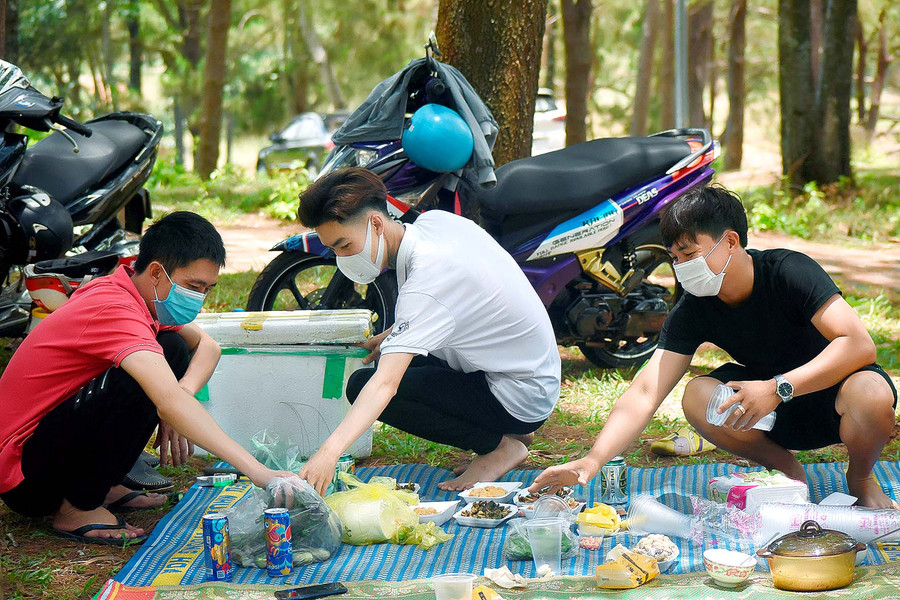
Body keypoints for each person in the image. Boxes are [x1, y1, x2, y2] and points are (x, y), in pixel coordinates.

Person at [531, 185, 898, 509]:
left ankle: (861, 479)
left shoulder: (789, 270)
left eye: (689, 254)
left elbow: (858, 344)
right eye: (674, 258)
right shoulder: (694, 306)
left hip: (832, 398)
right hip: (766, 413)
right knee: (696, 395)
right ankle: (786, 471)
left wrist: (777, 387)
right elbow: (646, 390)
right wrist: (591, 461)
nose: (681, 268)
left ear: (731, 242)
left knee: (872, 391)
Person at [0, 212, 295, 544]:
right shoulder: (113, 309)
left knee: (171, 347)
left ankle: (104, 486)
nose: (200, 298)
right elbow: (167, 399)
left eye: (207, 289)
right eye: (193, 286)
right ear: (156, 272)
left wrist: (180, 394)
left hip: (46, 450)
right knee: (148, 368)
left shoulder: (133, 294)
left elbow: (208, 347)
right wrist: (259, 472)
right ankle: (77, 508)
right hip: (27, 476)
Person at [296, 168, 561, 495]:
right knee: (390, 362)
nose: (342, 258)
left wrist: (329, 453)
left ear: (376, 223)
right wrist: (393, 333)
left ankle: (500, 446)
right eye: (334, 249)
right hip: (532, 373)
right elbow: (458, 301)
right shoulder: (435, 223)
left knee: (365, 384)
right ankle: (513, 431)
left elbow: (385, 385)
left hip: (520, 393)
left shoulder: (426, 282)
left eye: (345, 245)